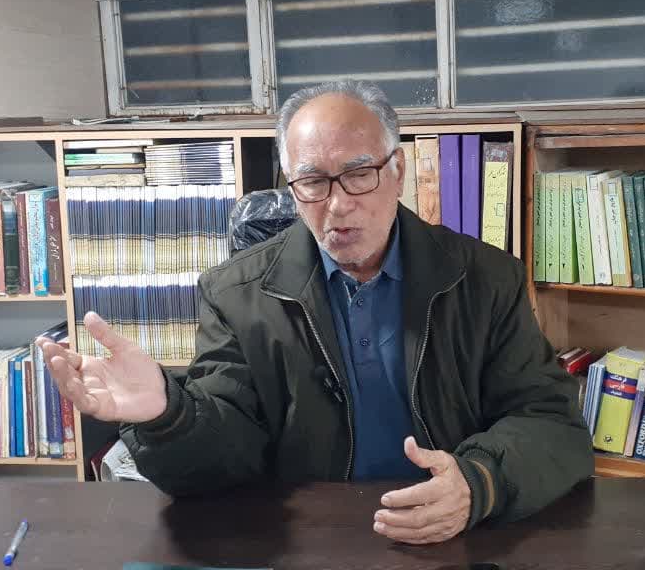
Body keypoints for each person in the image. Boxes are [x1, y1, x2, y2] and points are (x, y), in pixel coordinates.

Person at [36, 80, 594, 545]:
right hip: (306, 539)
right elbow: (224, 456)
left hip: (452, 535)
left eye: (359, 173)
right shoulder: (235, 294)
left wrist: (477, 483)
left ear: (398, 170)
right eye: (312, 182)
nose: (338, 204)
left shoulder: (485, 279)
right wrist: (165, 413)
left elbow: (550, 423)